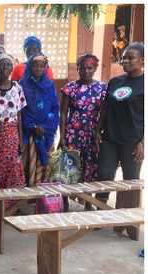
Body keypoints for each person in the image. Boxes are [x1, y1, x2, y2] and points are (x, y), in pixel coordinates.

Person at [96, 43, 144, 209]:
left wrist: (142, 142)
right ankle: (100, 213)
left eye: (131, 58)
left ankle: (127, 221)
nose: (125, 61)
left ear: (142, 60)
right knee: (104, 174)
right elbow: (105, 108)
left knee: (130, 180)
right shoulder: (115, 81)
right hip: (110, 137)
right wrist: (97, 131)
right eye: (123, 58)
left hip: (132, 141)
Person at [60, 54, 107, 186]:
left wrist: (98, 132)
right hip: (72, 133)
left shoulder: (102, 89)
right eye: (82, 68)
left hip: (91, 133)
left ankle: (87, 202)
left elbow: (103, 112)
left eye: (90, 68)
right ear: (78, 68)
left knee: (90, 166)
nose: (86, 71)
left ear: (95, 69)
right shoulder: (70, 88)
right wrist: (62, 137)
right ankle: (65, 202)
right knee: (69, 167)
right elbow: (63, 113)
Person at [0, 54, 28, 190]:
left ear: (12, 68)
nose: (5, 68)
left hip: (12, 135)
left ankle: (11, 206)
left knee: (13, 168)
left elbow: (19, 115)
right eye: (2, 64)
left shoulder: (17, 88)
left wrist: (21, 140)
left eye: (8, 64)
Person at [20, 53, 60, 186]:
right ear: (30, 67)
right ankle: (28, 197)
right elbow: (21, 109)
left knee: (46, 166)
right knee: (28, 164)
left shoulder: (49, 85)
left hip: (45, 132)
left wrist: (46, 127)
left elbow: (54, 108)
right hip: (30, 132)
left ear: (45, 68)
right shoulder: (22, 85)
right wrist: (32, 126)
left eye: (42, 66)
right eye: (35, 66)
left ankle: (43, 198)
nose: (38, 69)